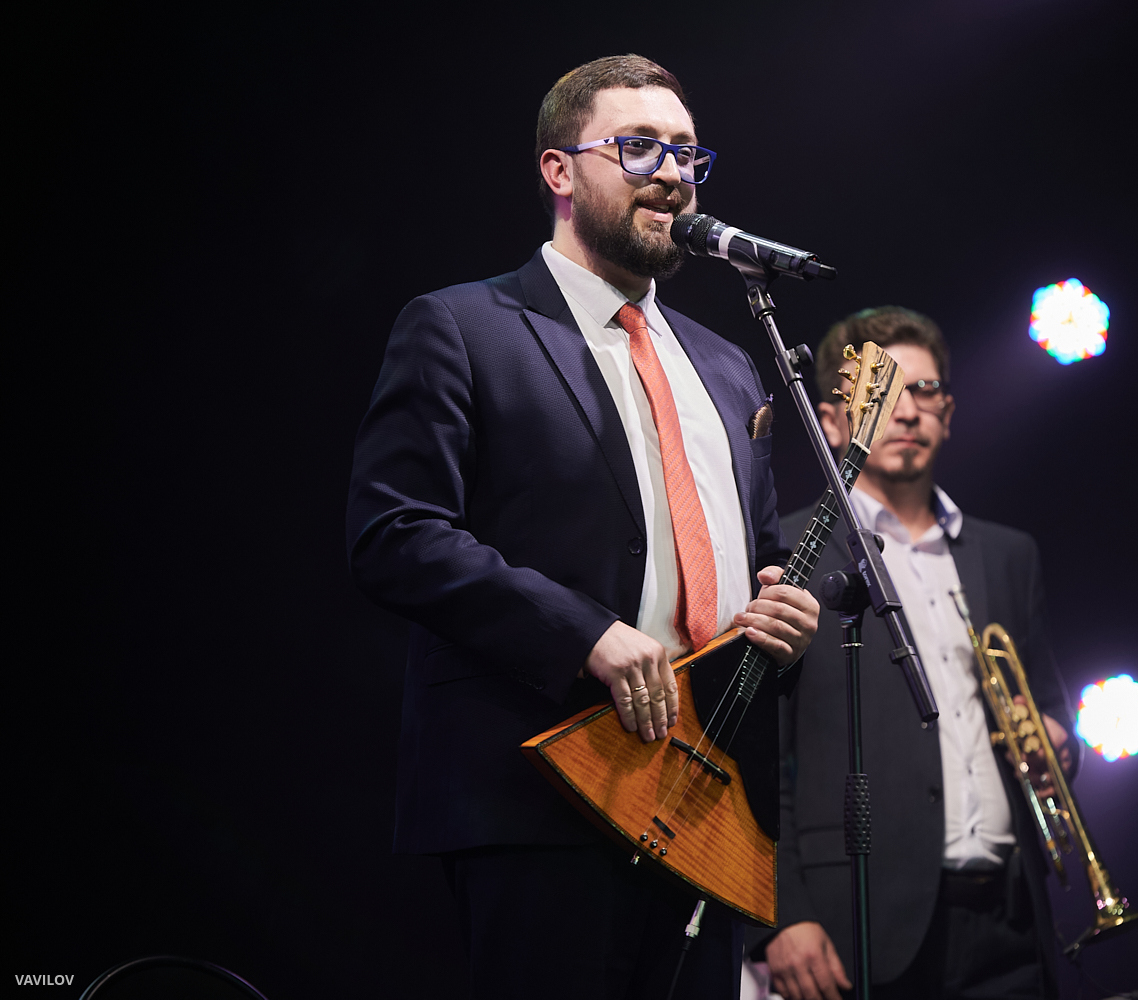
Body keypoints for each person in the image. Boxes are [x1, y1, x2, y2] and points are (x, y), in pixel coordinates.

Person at [345, 54, 819, 999]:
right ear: (559, 170)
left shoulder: (727, 365)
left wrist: (783, 610)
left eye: (686, 152)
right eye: (638, 147)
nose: (672, 174)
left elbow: (759, 554)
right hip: (541, 791)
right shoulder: (464, 326)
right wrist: (584, 634)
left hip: (703, 801)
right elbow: (394, 532)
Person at [751, 307, 1078, 1000]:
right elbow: (758, 757)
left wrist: (1059, 742)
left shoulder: (1009, 554)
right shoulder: (789, 553)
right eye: (884, 393)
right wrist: (781, 913)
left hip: (1010, 919)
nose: (905, 412)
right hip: (857, 924)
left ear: (948, 413)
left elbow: (1049, 704)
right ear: (832, 420)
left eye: (924, 391)